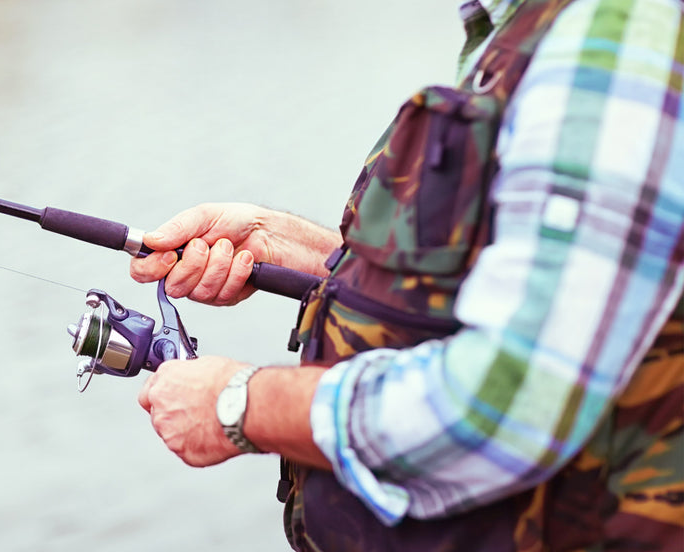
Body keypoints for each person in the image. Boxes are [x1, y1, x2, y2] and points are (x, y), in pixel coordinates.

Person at [131, 0, 684, 550]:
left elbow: (506, 407)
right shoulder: (525, 28)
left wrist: (239, 403)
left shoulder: (614, 36)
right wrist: (294, 249)